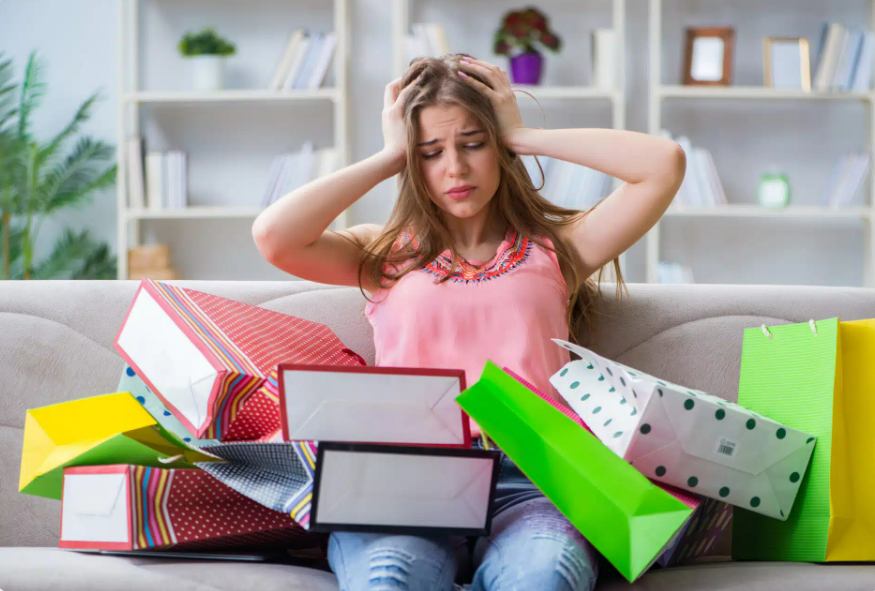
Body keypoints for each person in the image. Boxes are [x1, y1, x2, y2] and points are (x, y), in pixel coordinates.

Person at [252, 54, 685, 591]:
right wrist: (392, 154)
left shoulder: (557, 249)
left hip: (535, 480)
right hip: (402, 479)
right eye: (431, 153)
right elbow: (274, 236)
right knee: (388, 580)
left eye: (473, 143)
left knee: (546, 577)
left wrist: (521, 134)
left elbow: (663, 164)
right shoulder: (382, 253)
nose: (454, 169)